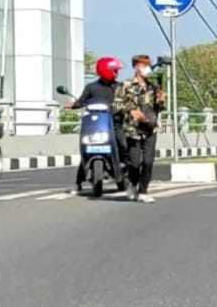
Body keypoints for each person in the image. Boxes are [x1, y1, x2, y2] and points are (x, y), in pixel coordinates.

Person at [65, 56, 124, 193]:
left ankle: (125, 173)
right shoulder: (91, 88)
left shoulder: (119, 87)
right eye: (114, 70)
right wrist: (73, 105)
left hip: (114, 124)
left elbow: (127, 101)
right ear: (106, 71)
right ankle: (79, 181)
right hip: (96, 125)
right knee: (87, 149)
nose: (117, 73)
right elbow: (81, 101)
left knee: (123, 144)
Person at [114, 53, 166, 203]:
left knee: (148, 162)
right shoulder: (126, 85)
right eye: (144, 65)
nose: (146, 69)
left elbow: (159, 108)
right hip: (133, 128)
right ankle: (132, 183)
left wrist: (161, 100)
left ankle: (143, 191)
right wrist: (131, 111)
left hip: (150, 127)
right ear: (137, 67)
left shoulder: (153, 86)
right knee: (134, 163)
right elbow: (117, 104)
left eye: (148, 66)